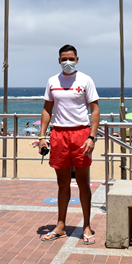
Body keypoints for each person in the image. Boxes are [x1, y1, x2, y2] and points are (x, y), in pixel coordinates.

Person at [38, 44, 100, 245]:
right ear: (58, 60)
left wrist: (91, 137)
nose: (68, 62)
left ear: (77, 59)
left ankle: (87, 226)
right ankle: (61, 225)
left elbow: (95, 110)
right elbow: (47, 110)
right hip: (59, 134)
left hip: (81, 134)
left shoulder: (86, 80)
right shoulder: (52, 81)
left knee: (83, 182)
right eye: (64, 59)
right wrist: (42, 136)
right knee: (62, 183)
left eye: (71, 59)